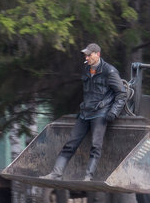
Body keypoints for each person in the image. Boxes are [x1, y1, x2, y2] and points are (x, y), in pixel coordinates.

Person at [43, 43, 128, 181]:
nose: (86, 57)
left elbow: (121, 94)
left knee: (96, 145)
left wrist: (114, 112)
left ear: (97, 54)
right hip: (85, 113)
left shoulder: (109, 71)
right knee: (70, 143)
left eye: (89, 55)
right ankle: (55, 174)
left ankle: (88, 177)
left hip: (100, 113)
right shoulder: (86, 69)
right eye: (85, 55)